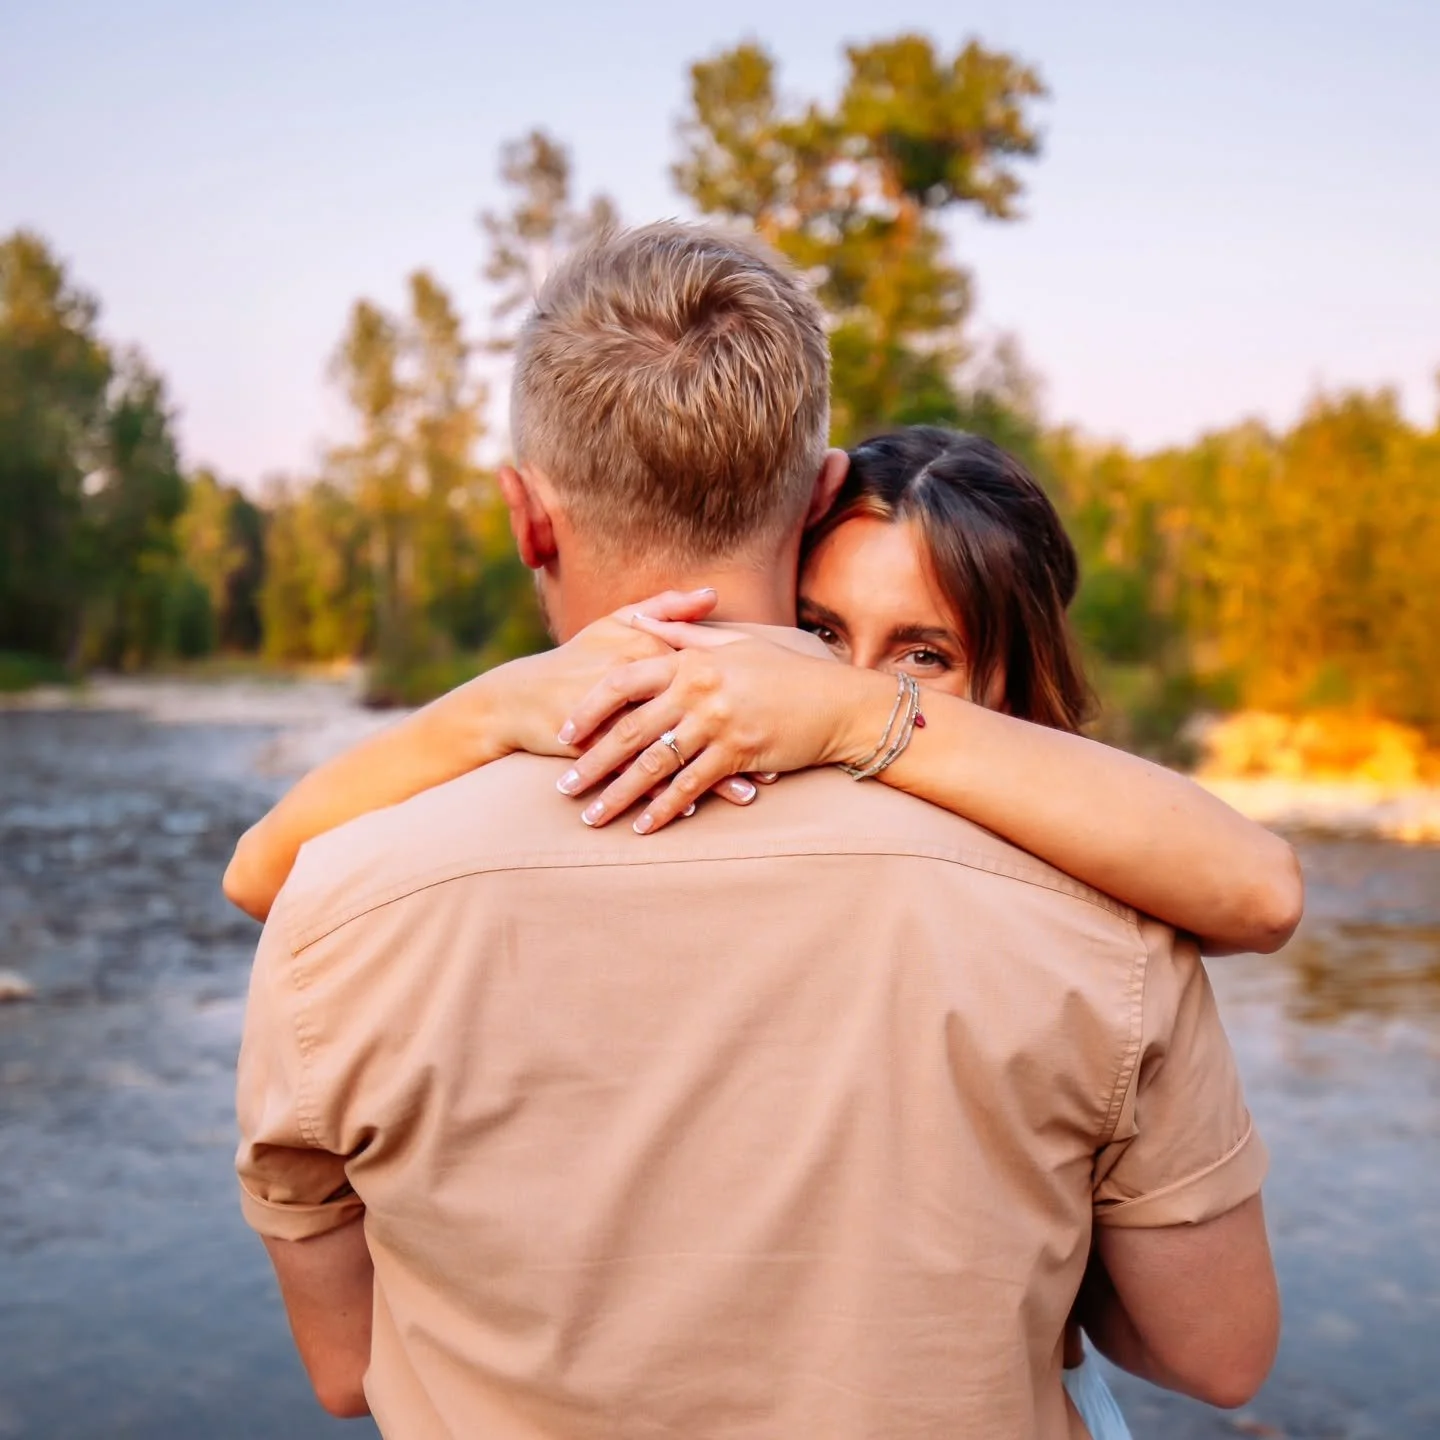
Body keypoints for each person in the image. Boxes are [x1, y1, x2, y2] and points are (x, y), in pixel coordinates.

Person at [233, 222, 1281, 1439]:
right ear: (825, 491)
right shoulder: (1098, 890)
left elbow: (346, 1371)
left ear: (528, 518)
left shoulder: (338, 906)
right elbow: (1218, 1352)